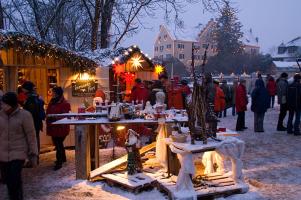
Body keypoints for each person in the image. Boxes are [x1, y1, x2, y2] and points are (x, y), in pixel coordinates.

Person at [0, 92, 38, 200]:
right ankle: (14, 196)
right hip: (2, 154)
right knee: (7, 180)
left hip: (18, 152)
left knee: (14, 179)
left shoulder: (25, 115)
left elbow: (31, 136)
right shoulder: (0, 115)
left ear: (11, 104)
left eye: (4, 104)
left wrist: (33, 153)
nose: (2, 106)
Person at [46, 87, 71, 170]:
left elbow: (64, 116)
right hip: (53, 126)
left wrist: (54, 117)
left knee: (58, 144)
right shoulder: (52, 101)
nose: (52, 94)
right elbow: (48, 111)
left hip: (61, 127)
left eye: (53, 92)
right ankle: (63, 158)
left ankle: (59, 162)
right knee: (59, 143)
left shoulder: (65, 103)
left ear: (58, 94)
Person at [21, 81, 45, 158]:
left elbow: (31, 112)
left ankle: (34, 158)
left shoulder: (31, 98)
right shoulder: (36, 97)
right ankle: (35, 157)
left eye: (23, 88)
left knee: (32, 140)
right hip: (37, 122)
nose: (22, 90)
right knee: (35, 139)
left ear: (27, 89)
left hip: (32, 123)